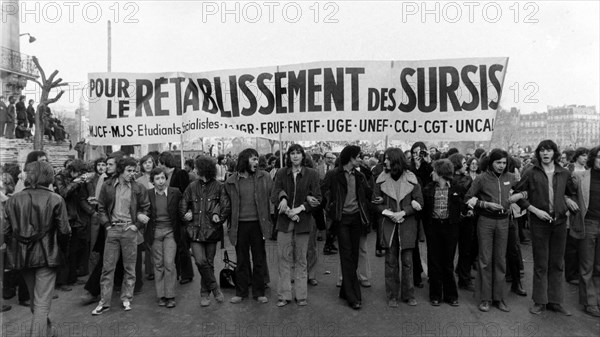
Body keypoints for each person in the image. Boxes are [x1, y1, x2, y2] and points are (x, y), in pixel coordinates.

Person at [3, 161, 71, 337]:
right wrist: (61, 251)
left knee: (36, 300)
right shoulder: (56, 198)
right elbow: (65, 231)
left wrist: (16, 248)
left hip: (22, 256)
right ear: (48, 177)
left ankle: (47, 330)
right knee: (41, 303)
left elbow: (6, 231)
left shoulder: (13, 199)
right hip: (47, 255)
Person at [514, 140, 578, 316]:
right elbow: (518, 195)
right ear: (538, 154)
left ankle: (555, 301)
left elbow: (570, 193)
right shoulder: (530, 172)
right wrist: (535, 211)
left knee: (557, 264)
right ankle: (540, 301)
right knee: (541, 263)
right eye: (542, 150)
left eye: (549, 150)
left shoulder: (564, 172)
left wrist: (568, 202)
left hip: (559, 224)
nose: (545, 153)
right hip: (539, 223)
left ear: (554, 153)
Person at [92, 157, 150, 315]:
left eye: (134, 170)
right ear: (121, 170)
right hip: (113, 230)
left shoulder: (138, 188)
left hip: (129, 230)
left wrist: (136, 226)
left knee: (129, 268)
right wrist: (107, 225)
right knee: (107, 268)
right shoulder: (108, 185)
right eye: (129, 171)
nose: (132, 173)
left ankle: (127, 298)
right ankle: (104, 302)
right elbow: (101, 207)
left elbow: (146, 207)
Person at [466, 149, 520, 313]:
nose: (501, 166)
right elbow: (468, 197)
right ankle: (485, 298)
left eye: (504, 163)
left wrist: (518, 196)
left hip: (504, 222)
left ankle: (499, 298)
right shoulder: (482, 178)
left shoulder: (511, 177)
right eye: (498, 163)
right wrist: (485, 204)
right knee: (485, 260)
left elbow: (524, 192)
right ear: (490, 163)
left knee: (500, 261)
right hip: (486, 222)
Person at [321, 145, 372, 310]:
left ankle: (345, 291)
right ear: (350, 157)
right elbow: (322, 192)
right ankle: (353, 296)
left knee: (354, 256)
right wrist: (330, 207)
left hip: (357, 219)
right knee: (346, 256)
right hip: (341, 220)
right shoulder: (333, 174)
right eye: (358, 156)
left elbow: (368, 194)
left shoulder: (360, 175)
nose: (360, 159)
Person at [372, 148, 423, 308]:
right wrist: (388, 212)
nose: (384, 162)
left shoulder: (412, 178)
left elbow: (419, 201)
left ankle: (408, 295)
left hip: (407, 224)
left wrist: (404, 212)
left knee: (408, 262)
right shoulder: (380, 179)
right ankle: (392, 295)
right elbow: (375, 202)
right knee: (390, 261)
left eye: (387, 159)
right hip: (389, 224)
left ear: (395, 160)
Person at [271, 144, 321, 307]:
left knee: (301, 259)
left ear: (303, 156)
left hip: (303, 222)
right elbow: (275, 192)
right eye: (292, 153)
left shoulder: (312, 174)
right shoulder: (280, 173)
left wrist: (300, 209)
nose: (295, 156)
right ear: (288, 156)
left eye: (298, 153)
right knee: (284, 258)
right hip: (284, 221)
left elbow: (317, 198)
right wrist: (283, 200)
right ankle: (284, 295)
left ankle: (301, 295)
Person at [223, 148, 273, 304]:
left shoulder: (264, 177)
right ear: (244, 160)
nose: (257, 162)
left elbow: (274, 194)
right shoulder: (231, 181)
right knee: (242, 260)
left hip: (258, 224)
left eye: (257, 159)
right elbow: (226, 204)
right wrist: (218, 214)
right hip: (239, 226)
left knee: (259, 258)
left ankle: (259, 292)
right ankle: (241, 292)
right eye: (253, 159)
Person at [180, 156, 228, 307]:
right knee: (200, 261)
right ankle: (215, 289)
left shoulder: (219, 187)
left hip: (212, 231)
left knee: (209, 263)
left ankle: (204, 293)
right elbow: (183, 204)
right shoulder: (192, 186)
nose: (194, 169)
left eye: (196, 167)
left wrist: (218, 217)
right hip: (194, 230)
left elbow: (225, 206)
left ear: (203, 169)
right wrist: (185, 214)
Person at [570, 145, 600, 317]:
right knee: (587, 265)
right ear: (593, 158)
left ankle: (597, 298)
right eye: (599, 157)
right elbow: (569, 194)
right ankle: (590, 302)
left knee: (598, 265)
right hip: (588, 223)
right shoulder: (581, 176)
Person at [146, 167, 182, 308]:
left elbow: (182, 208)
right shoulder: (148, 194)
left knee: (169, 263)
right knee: (158, 264)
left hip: (170, 231)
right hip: (155, 232)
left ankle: (170, 295)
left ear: (166, 178)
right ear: (153, 181)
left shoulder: (175, 192)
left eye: (162, 178)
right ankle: (161, 295)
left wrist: (188, 214)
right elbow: (144, 210)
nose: (161, 181)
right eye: (157, 179)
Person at [54, 159, 92, 290]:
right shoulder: (59, 177)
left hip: (75, 218)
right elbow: (63, 193)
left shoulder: (74, 179)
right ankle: (62, 281)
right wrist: (75, 183)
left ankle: (72, 278)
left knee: (74, 250)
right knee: (64, 251)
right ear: (72, 170)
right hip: (64, 219)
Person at [157, 152, 194, 285]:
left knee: (182, 244)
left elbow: (186, 194)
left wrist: (187, 210)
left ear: (164, 162)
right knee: (175, 245)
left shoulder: (180, 174)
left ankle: (186, 273)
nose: (158, 165)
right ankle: (178, 272)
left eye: (159, 162)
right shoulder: (165, 176)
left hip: (179, 214)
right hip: (168, 215)